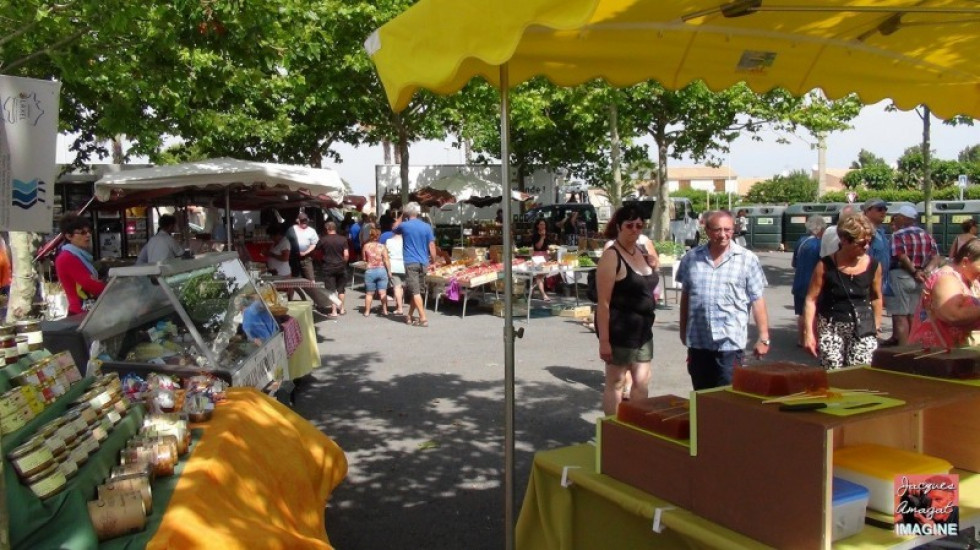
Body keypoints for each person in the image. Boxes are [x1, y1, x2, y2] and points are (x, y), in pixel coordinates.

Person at [676, 210, 770, 390]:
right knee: (702, 395)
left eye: (728, 229)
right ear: (707, 230)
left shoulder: (747, 259)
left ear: (734, 230)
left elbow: (757, 300)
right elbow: (686, 296)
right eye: (717, 230)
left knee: (728, 395)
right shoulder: (691, 258)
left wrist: (764, 337)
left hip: (730, 343)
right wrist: (683, 330)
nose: (723, 234)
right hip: (699, 341)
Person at [596, 206, 659, 415]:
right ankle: (613, 427)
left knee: (642, 381)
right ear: (618, 226)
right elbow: (603, 303)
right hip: (620, 330)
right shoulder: (611, 256)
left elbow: (648, 285)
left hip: (643, 330)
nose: (635, 230)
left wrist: (653, 265)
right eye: (629, 225)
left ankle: (636, 425)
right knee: (616, 381)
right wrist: (604, 341)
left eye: (639, 225)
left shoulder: (641, 251)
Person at [803, 215, 882, 368]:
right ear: (844, 240)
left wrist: (876, 327)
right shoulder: (825, 265)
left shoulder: (874, 265)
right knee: (832, 371)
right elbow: (811, 299)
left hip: (863, 326)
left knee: (859, 372)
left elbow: (876, 298)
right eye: (862, 243)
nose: (867, 247)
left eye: (870, 242)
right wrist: (809, 333)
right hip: (831, 326)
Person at [885, 205, 942, 346]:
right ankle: (914, 346)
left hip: (900, 276)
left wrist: (914, 271)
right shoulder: (926, 235)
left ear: (904, 218)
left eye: (897, 217)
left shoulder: (898, 235)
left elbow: (901, 256)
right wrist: (925, 272)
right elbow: (936, 257)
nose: (895, 219)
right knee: (913, 315)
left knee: (900, 315)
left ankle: (904, 350)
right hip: (921, 278)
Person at [907, 238, 980, 348]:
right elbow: (953, 315)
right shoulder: (947, 279)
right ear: (965, 262)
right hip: (934, 352)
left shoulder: (970, 279)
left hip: (954, 351)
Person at [54, 213, 106, 316]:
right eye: (82, 232)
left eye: (89, 231)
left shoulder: (81, 256)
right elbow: (90, 284)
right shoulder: (67, 257)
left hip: (88, 310)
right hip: (79, 312)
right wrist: (110, 287)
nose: (88, 235)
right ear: (69, 236)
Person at [396, 202, 437, 327]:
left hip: (410, 261)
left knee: (415, 292)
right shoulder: (426, 226)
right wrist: (433, 261)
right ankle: (409, 316)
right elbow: (431, 245)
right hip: (423, 262)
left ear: (407, 213)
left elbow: (394, 227)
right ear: (418, 212)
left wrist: (402, 215)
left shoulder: (404, 225)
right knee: (418, 291)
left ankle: (423, 318)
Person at [286, 212, 333, 313]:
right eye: (302, 220)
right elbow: (286, 242)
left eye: (305, 220)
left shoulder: (311, 231)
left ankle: (318, 303)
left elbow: (314, 244)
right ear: (298, 220)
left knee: (311, 281)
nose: (304, 222)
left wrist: (306, 252)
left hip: (306, 258)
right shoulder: (291, 230)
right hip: (293, 258)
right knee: (291, 281)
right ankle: (290, 301)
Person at [792, 215, 826, 347]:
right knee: (814, 312)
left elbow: (794, 263)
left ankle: (801, 339)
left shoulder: (801, 241)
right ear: (820, 229)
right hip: (813, 283)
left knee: (801, 313)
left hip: (799, 281)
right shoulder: (819, 244)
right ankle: (813, 340)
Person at [861, 198, 892, 306]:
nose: (883, 212)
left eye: (885, 209)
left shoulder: (881, 232)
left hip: (880, 283)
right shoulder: (863, 231)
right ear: (867, 211)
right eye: (879, 209)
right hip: (868, 285)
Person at [317, 222, 349, 317]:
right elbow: (346, 255)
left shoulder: (323, 239)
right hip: (341, 266)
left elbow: (316, 251)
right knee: (341, 290)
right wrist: (343, 263)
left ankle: (334, 311)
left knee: (331, 291)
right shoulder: (343, 239)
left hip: (328, 266)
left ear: (327, 229)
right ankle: (341, 309)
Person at [361, 227, 391, 316]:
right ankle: (385, 311)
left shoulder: (366, 246)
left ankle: (367, 311)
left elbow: (364, 259)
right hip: (381, 270)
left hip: (370, 270)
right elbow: (386, 260)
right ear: (378, 236)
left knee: (369, 293)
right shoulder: (382, 246)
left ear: (370, 235)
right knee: (383, 292)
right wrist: (389, 271)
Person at [384, 223, 406, 317]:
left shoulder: (388, 241)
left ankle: (400, 308)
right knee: (401, 287)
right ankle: (398, 305)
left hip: (393, 265)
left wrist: (388, 269)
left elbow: (385, 256)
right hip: (404, 265)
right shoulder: (406, 241)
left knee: (397, 287)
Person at [529, 219, 553, 301]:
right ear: (537, 226)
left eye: (544, 224)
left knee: (543, 274)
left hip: (545, 256)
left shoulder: (547, 234)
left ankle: (531, 288)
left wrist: (550, 250)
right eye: (541, 224)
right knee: (539, 276)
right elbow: (538, 246)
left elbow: (547, 246)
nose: (543, 226)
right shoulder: (535, 235)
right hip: (537, 256)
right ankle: (543, 295)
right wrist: (542, 237)